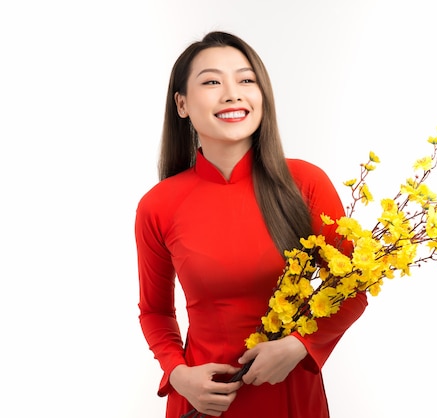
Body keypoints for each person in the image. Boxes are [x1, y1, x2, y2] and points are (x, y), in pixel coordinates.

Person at [134, 31, 368, 418]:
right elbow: (155, 312)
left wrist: (298, 346)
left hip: (290, 392)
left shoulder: (305, 184)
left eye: (246, 80)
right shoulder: (158, 205)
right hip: (202, 400)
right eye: (212, 81)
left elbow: (353, 288)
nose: (232, 93)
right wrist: (178, 375)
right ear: (181, 104)